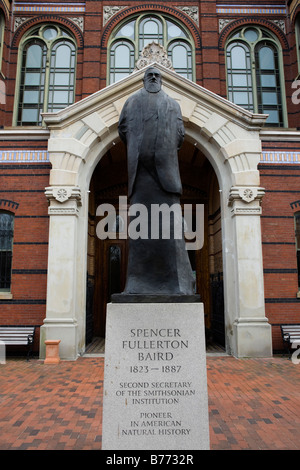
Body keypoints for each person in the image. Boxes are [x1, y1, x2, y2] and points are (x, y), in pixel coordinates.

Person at [117, 67, 195, 297]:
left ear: (161, 80)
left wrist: (162, 152)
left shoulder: (172, 104)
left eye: (157, 76)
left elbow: (180, 135)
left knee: (171, 232)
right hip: (141, 174)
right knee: (140, 232)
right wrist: (138, 150)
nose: (153, 78)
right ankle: (136, 285)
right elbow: (123, 129)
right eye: (149, 75)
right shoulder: (131, 102)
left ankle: (178, 286)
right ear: (143, 80)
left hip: (166, 176)